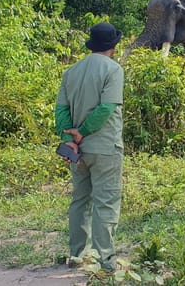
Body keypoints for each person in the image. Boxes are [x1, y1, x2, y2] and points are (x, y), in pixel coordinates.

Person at [55, 22, 125, 271]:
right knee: (105, 201)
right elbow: (107, 108)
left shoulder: (71, 71)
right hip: (105, 146)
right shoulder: (113, 70)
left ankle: (76, 255)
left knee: (80, 201)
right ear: (113, 47)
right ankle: (105, 260)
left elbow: (61, 109)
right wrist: (83, 132)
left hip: (77, 150)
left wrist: (69, 139)